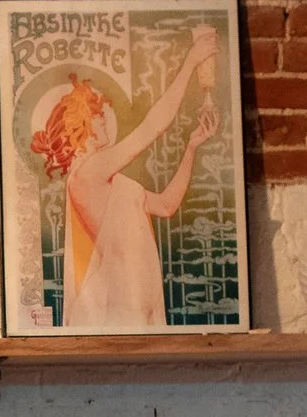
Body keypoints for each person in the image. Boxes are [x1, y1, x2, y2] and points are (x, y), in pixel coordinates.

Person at [28, 27, 222, 332]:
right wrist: (190, 64)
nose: (104, 114)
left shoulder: (111, 179)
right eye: (95, 113)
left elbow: (167, 205)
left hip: (140, 308)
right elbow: (151, 128)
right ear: (79, 124)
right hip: (115, 308)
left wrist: (192, 146)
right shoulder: (87, 174)